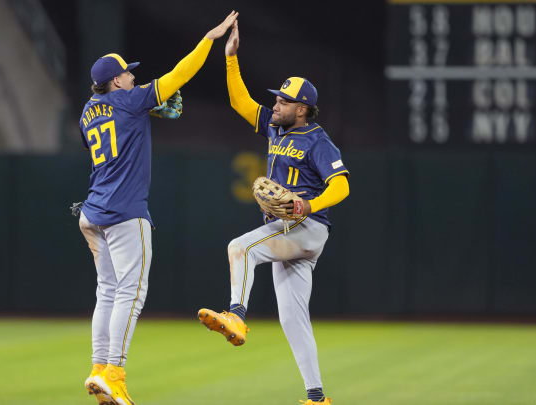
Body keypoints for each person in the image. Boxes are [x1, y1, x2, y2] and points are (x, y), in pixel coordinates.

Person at [77, 11, 239, 405]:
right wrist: (210, 38)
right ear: (116, 81)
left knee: (107, 292)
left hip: (92, 212)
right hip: (124, 213)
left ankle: (98, 370)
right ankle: (114, 373)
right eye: (128, 74)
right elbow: (181, 74)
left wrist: (142, 109)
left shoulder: (86, 112)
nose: (133, 76)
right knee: (131, 293)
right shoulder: (131, 99)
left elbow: (110, 132)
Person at [197, 20, 349, 405]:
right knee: (293, 319)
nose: (276, 104)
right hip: (292, 233)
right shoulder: (275, 129)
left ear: (302, 109)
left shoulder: (318, 141)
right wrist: (230, 59)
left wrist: (308, 203)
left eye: (283, 101)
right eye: (277, 99)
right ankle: (317, 397)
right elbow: (240, 102)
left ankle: (236, 314)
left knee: (240, 248)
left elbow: (343, 185)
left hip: (307, 225)